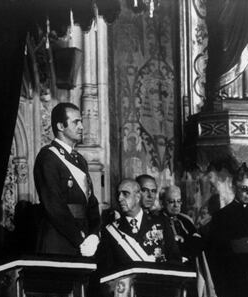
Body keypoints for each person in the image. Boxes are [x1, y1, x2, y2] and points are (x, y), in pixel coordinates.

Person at [34, 102, 100, 257]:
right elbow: (54, 206)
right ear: (60, 126)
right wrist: (79, 239)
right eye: (76, 122)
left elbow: (91, 202)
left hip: (84, 241)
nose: (82, 127)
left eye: (81, 122)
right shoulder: (48, 157)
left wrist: (94, 234)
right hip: (59, 240)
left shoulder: (80, 160)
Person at [97, 179, 180, 274]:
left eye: (125, 194)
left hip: (157, 284)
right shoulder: (110, 230)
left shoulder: (161, 222)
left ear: (137, 197)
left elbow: (174, 259)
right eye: (118, 194)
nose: (120, 198)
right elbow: (106, 269)